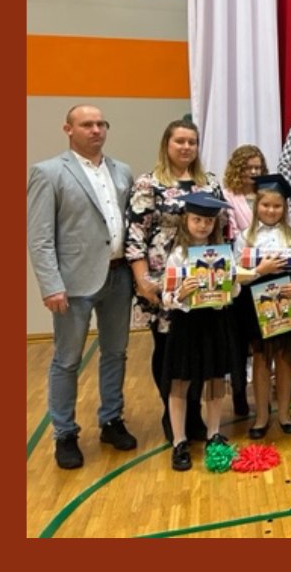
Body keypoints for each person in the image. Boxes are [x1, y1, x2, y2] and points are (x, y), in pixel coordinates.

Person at [27, 104, 137, 470]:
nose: (95, 130)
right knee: (67, 359)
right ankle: (65, 433)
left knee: (116, 352)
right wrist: (50, 285)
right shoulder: (48, 172)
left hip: (119, 276)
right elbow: (40, 237)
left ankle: (111, 420)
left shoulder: (122, 171)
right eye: (87, 124)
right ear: (68, 129)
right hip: (73, 284)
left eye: (101, 124)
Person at [126, 118, 228, 443]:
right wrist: (143, 279)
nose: (186, 147)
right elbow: (135, 234)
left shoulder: (209, 183)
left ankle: (195, 417)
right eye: (179, 141)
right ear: (166, 144)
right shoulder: (149, 183)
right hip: (162, 278)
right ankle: (173, 417)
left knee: (200, 349)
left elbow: (222, 229)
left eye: (191, 142)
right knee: (170, 348)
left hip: (204, 279)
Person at [160, 193, 236, 471]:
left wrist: (230, 284)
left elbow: (234, 290)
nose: (203, 225)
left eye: (208, 221)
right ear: (186, 220)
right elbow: (166, 297)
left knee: (215, 379)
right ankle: (179, 440)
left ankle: (213, 433)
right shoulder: (178, 255)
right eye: (197, 220)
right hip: (186, 324)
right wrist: (181, 292)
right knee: (180, 381)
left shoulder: (223, 251)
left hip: (214, 321)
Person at [234, 174, 291, 438]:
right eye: (266, 205)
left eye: (277, 206)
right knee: (262, 359)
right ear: (257, 206)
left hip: (287, 296)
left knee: (285, 359)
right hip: (256, 299)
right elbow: (238, 276)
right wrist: (259, 270)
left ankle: (285, 413)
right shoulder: (245, 237)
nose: (271, 210)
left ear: (284, 208)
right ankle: (262, 416)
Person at [221, 143, 268, 416]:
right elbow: (231, 233)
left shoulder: (267, 193)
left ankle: (263, 394)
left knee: (261, 340)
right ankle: (239, 394)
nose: (254, 172)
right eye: (249, 168)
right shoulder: (228, 195)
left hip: (266, 274)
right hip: (241, 275)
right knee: (238, 342)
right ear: (238, 169)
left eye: (258, 168)